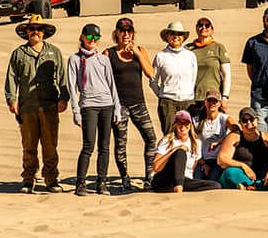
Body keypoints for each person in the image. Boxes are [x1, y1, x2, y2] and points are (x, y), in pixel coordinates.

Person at [3, 14, 70, 194]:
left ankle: (51, 179)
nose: (35, 32)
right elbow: (11, 78)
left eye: (39, 29)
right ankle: (28, 179)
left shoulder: (53, 52)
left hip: (50, 106)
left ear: (44, 33)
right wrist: (12, 99)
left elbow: (62, 76)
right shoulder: (18, 53)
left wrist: (64, 98)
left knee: (50, 145)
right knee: (29, 145)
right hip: (27, 106)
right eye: (32, 29)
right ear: (26, 32)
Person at [68, 23, 121, 196]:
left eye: (96, 37)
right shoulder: (75, 60)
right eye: (89, 37)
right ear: (82, 37)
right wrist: (76, 111)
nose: (92, 40)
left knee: (104, 146)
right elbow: (72, 87)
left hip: (107, 105)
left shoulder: (103, 59)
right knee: (88, 145)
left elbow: (112, 84)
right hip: (88, 106)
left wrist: (117, 108)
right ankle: (80, 183)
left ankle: (102, 182)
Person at [106, 17, 158, 191]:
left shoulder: (140, 50)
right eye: (122, 31)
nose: (126, 34)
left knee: (151, 138)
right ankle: (125, 178)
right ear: (117, 33)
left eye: (129, 31)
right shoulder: (109, 53)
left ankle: (149, 177)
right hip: (119, 105)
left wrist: (137, 53)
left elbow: (151, 73)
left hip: (138, 103)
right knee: (121, 143)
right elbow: (105, 80)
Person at [149, 111, 221, 193]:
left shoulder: (196, 143)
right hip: (165, 180)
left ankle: (182, 189)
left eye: (186, 124)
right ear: (175, 125)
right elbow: (155, 167)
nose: (183, 127)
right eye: (180, 123)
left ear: (190, 126)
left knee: (215, 186)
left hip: (184, 180)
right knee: (180, 152)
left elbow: (193, 166)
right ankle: (178, 190)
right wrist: (173, 150)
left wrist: (204, 164)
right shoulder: (167, 141)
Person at [151, 21, 198, 135]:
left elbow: (194, 78)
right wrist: (163, 95)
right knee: (169, 136)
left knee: (188, 135)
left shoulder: (190, 56)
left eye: (179, 34)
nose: (176, 37)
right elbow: (153, 80)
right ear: (167, 36)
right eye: (172, 33)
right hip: (168, 103)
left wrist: (188, 94)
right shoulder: (161, 56)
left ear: (183, 37)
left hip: (188, 102)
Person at [216, 107, 268, 190]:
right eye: (244, 120)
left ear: (257, 120)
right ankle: (255, 187)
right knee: (230, 173)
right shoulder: (234, 137)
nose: (249, 123)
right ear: (240, 123)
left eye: (251, 119)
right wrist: (243, 166)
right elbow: (222, 159)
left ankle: (251, 187)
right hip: (241, 174)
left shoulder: (267, 138)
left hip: (262, 175)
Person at [187, 17, 232, 118]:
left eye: (207, 25)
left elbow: (226, 75)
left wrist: (225, 97)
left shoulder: (218, 47)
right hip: (192, 98)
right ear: (196, 28)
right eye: (200, 25)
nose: (203, 28)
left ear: (212, 30)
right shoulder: (188, 49)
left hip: (212, 98)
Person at [192, 90, 234, 181]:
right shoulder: (196, 121)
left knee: (212, 180)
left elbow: (237, 131)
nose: (212, 103)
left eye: (215, 101)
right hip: (202, 159)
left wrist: (220, 142)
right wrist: (203, 163)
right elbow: (192, 142)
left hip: (218, 160)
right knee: (197, 180)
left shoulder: (224, 118)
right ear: (205, 102)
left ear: (219, 103)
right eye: (209, 101)